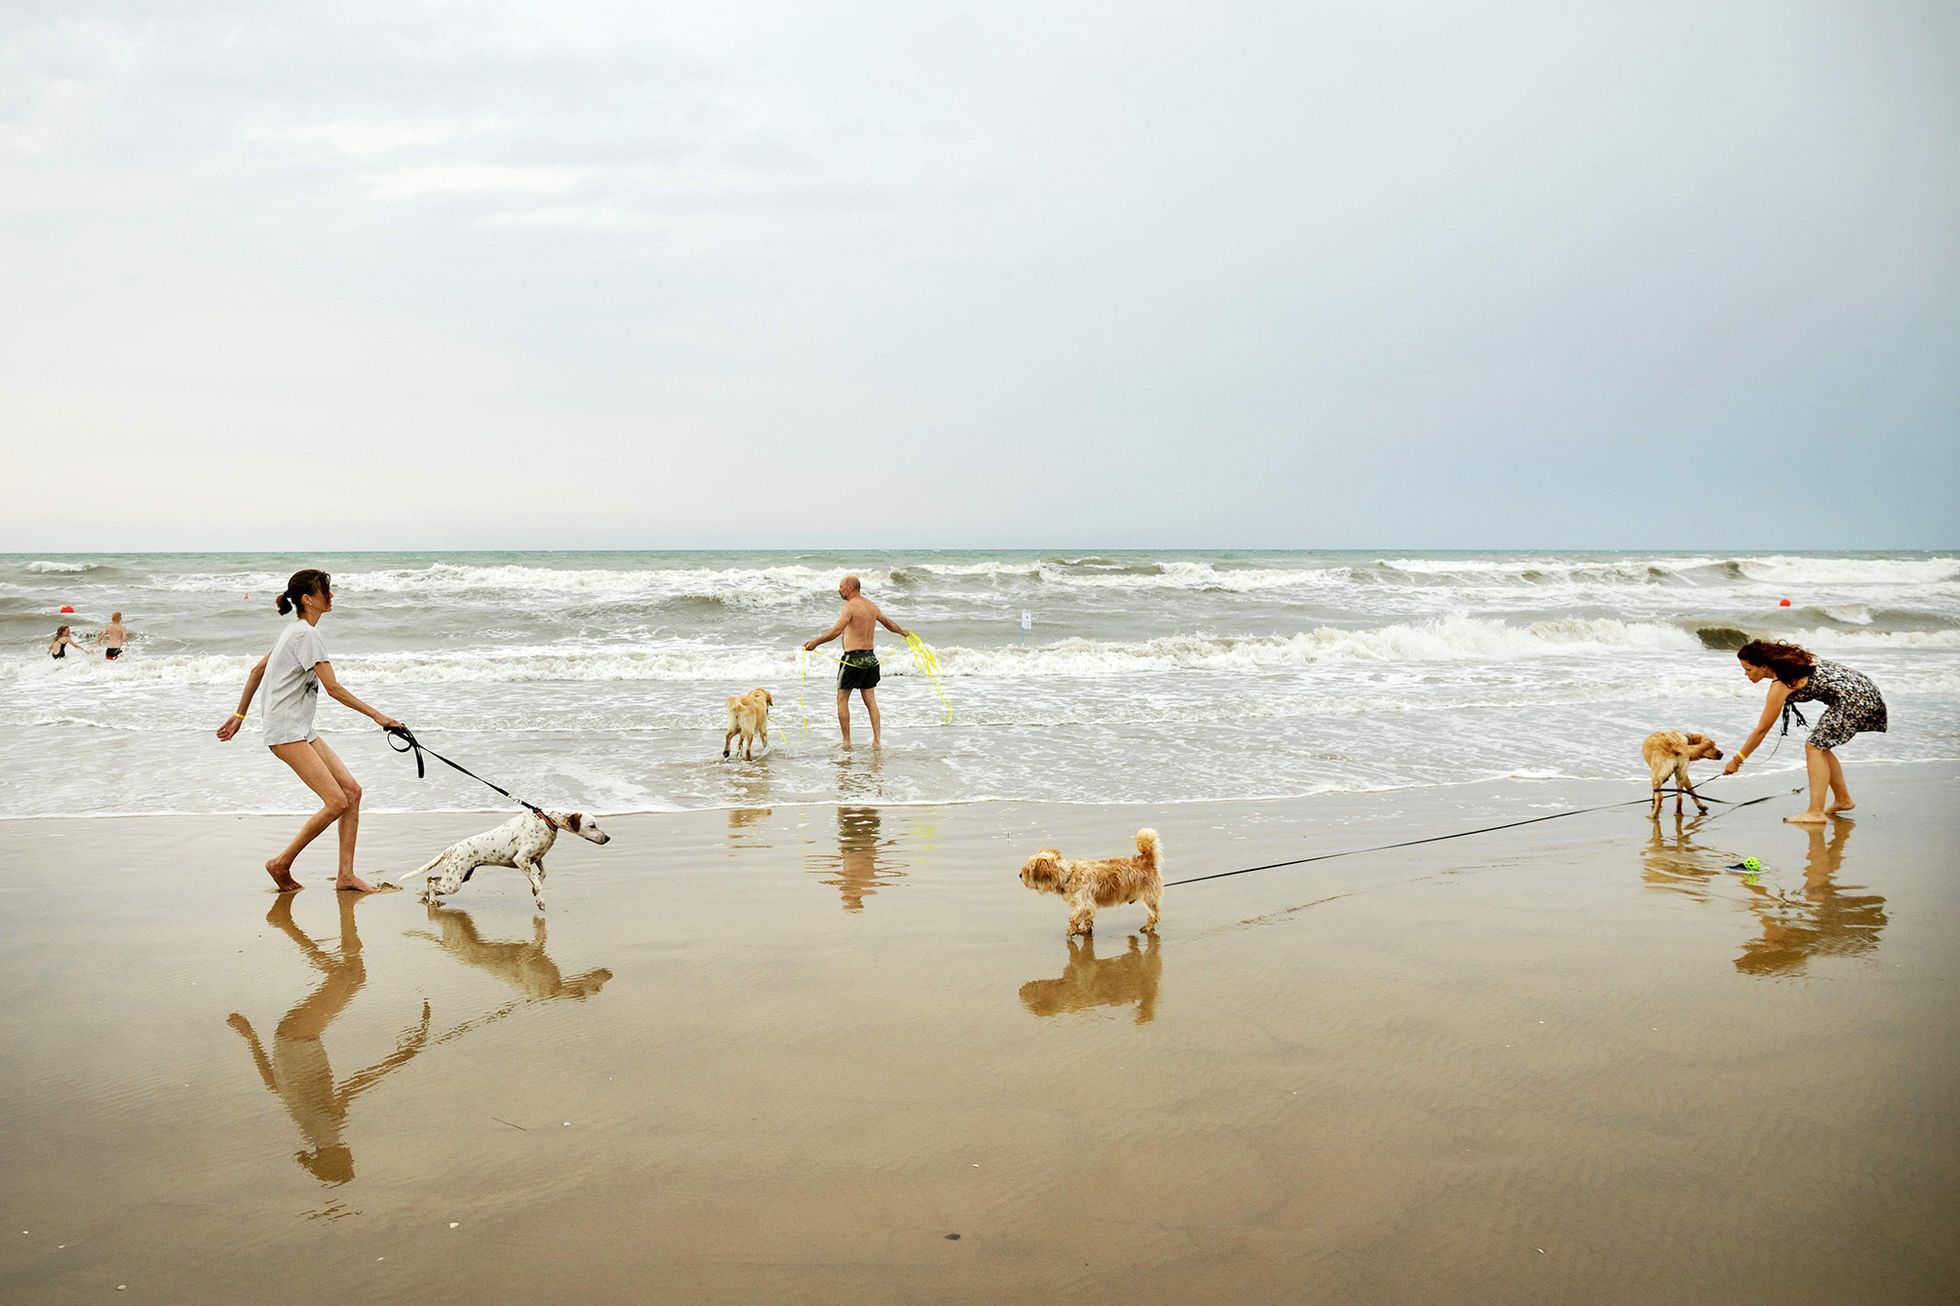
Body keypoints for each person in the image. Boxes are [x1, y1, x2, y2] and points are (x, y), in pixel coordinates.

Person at [216, 569, 402, 892]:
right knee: (336, 802)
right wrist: (378, 716)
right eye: (325, 591)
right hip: (286, 729)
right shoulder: (307, 636)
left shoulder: (294, 631)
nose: (331, 595)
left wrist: (239, 715)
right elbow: (333, 688)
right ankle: (281, 863)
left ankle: (346, 876)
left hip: (298, 726)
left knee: (352, 792)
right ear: (308, 599)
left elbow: (257, 670)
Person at [1723, 638, 1887, 825]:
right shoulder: (1795, 662)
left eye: (1748, 669)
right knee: (1820, 747)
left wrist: (1737, 760)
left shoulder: (1782, 682)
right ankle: (1843, 799)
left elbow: (1762, 729)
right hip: (1865, 689)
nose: (1746, 674)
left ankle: (1815, 813)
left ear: (1764, 666)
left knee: (1814, 747)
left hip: (1855, 699)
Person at [803, 574, 910, 748]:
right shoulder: (871, 605)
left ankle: (846, 742)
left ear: (850, 588)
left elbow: (837, 630)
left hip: (853, 660)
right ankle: (877, 741)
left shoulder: (850, 606)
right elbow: (889, 624)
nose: (839, 590)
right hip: (870, 659)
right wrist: (902, 631)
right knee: (870, 700)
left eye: (841, 587)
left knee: (842, 699)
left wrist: (815, 642)